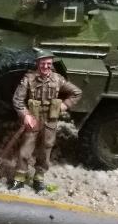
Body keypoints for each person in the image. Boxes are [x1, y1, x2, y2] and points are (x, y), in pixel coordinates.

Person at [9, 50, 83, 191]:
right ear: (38, 64)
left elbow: (77, 92)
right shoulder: (29, 79)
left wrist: (65, 105)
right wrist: (25, 115)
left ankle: (39, 177)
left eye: (48, 63)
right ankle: (19, 178)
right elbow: (17, 100)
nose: (45, 66)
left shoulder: (58, 79)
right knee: (25, 150)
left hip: (50, 120)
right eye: (43, 63)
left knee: (45, 149)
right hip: (34, 118)